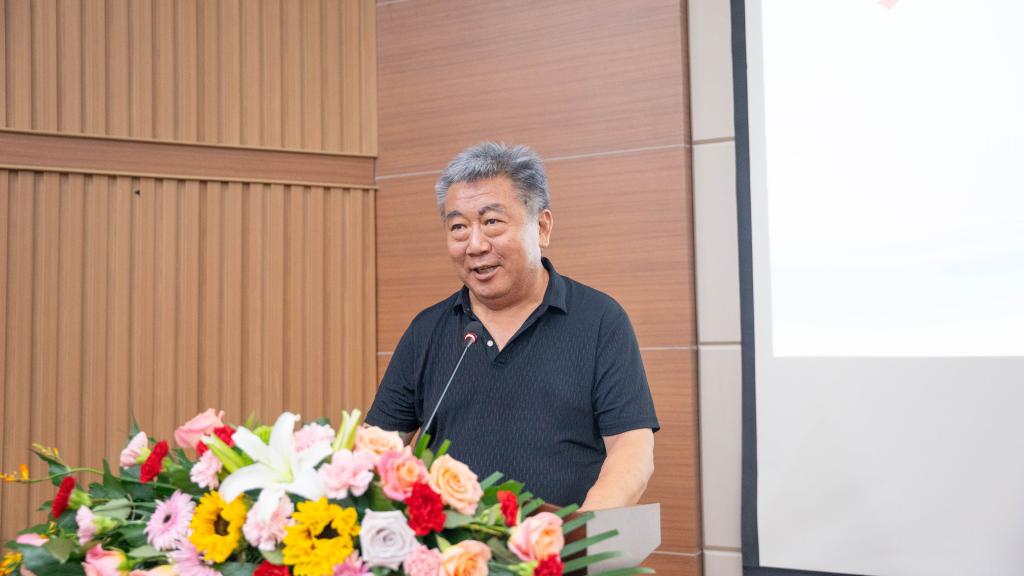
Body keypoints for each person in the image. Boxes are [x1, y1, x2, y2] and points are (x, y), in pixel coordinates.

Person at [366, 142, 658, 510]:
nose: (475, 245)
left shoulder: (599, 319)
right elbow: (378, 448)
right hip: (452, 543)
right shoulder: (427, 330)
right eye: (458, 227)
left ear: (542, 227)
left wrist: (583, 531)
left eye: (492, 222)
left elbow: (632, 448)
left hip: (557, 543)